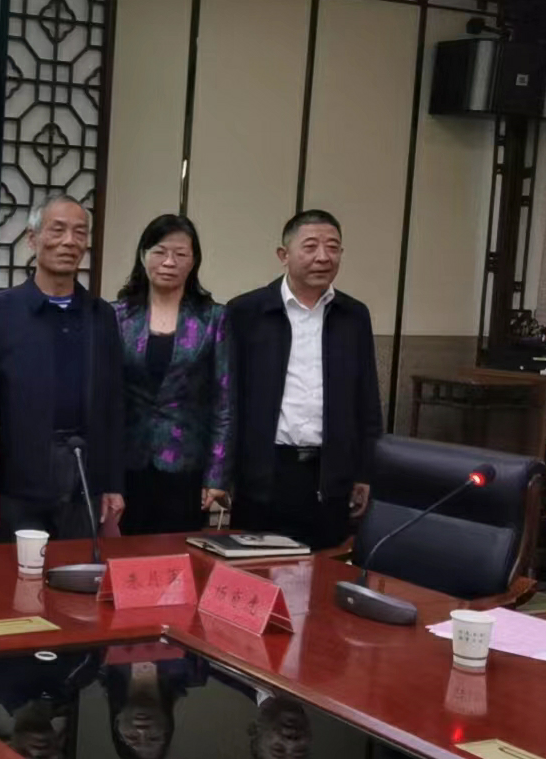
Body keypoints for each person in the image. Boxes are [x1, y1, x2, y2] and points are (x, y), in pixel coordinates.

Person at [0, 194, 125, 541]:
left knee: (80, 571)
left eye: (79, 232)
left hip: (85, 481)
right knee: (14, 573)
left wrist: (113, 483)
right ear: (32, 238)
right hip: (16, 482)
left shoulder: (101, 315)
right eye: (57, 230)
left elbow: (114, 404)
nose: (69, 241)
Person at [227, 209, 382, 549]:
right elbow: (227, 399)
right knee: (256, 568)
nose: (323, 257)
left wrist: (365, 472)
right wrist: (223, 474)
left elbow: (367, 399)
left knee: (324, 569)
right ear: (283, 255)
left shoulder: (354, 315)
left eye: (333, 247)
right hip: (265, 472)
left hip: (330, 474)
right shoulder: (246, 312)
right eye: (310, 246)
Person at [113, 214, 234, 535]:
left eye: (180, 254)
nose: (169, 262)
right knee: (123, 553)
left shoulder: (213, 318)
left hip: (186, 464)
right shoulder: (117, 316)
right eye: (159, 252)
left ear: (194, 261)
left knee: (178, 554)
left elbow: (224, 402)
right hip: (125, 463)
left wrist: (217, 474)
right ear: (143, 256)